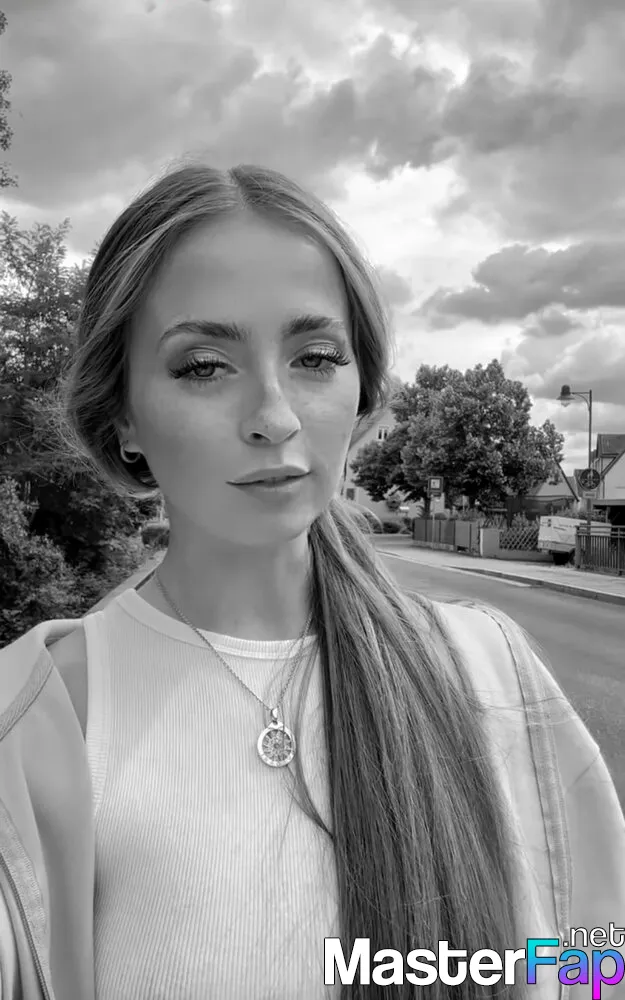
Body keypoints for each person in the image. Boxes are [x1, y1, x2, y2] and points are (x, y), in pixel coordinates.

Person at [0, 162, 624, 1000]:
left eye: (315, 358)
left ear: (360, 391)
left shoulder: (491, 677)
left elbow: (598, 958)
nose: (274, 416)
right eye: (203, 366)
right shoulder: (31, 726)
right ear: (123, 417)